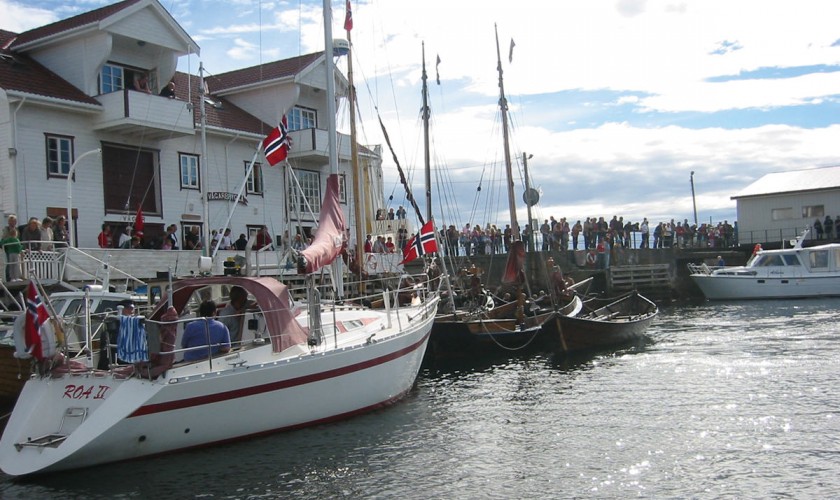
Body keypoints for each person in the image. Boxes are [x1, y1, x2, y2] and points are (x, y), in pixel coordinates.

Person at [2, 214, 18, 281]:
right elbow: (4, 238)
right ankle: (9, 278)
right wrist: (10, 239)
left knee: (16, 264)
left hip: (15, 249)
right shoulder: (6, 229)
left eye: (14, 221)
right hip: (9, 249)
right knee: (9, 263)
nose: (13, 222)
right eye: (11, 221)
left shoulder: (16, 229)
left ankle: (15, 277)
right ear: (9, 222)